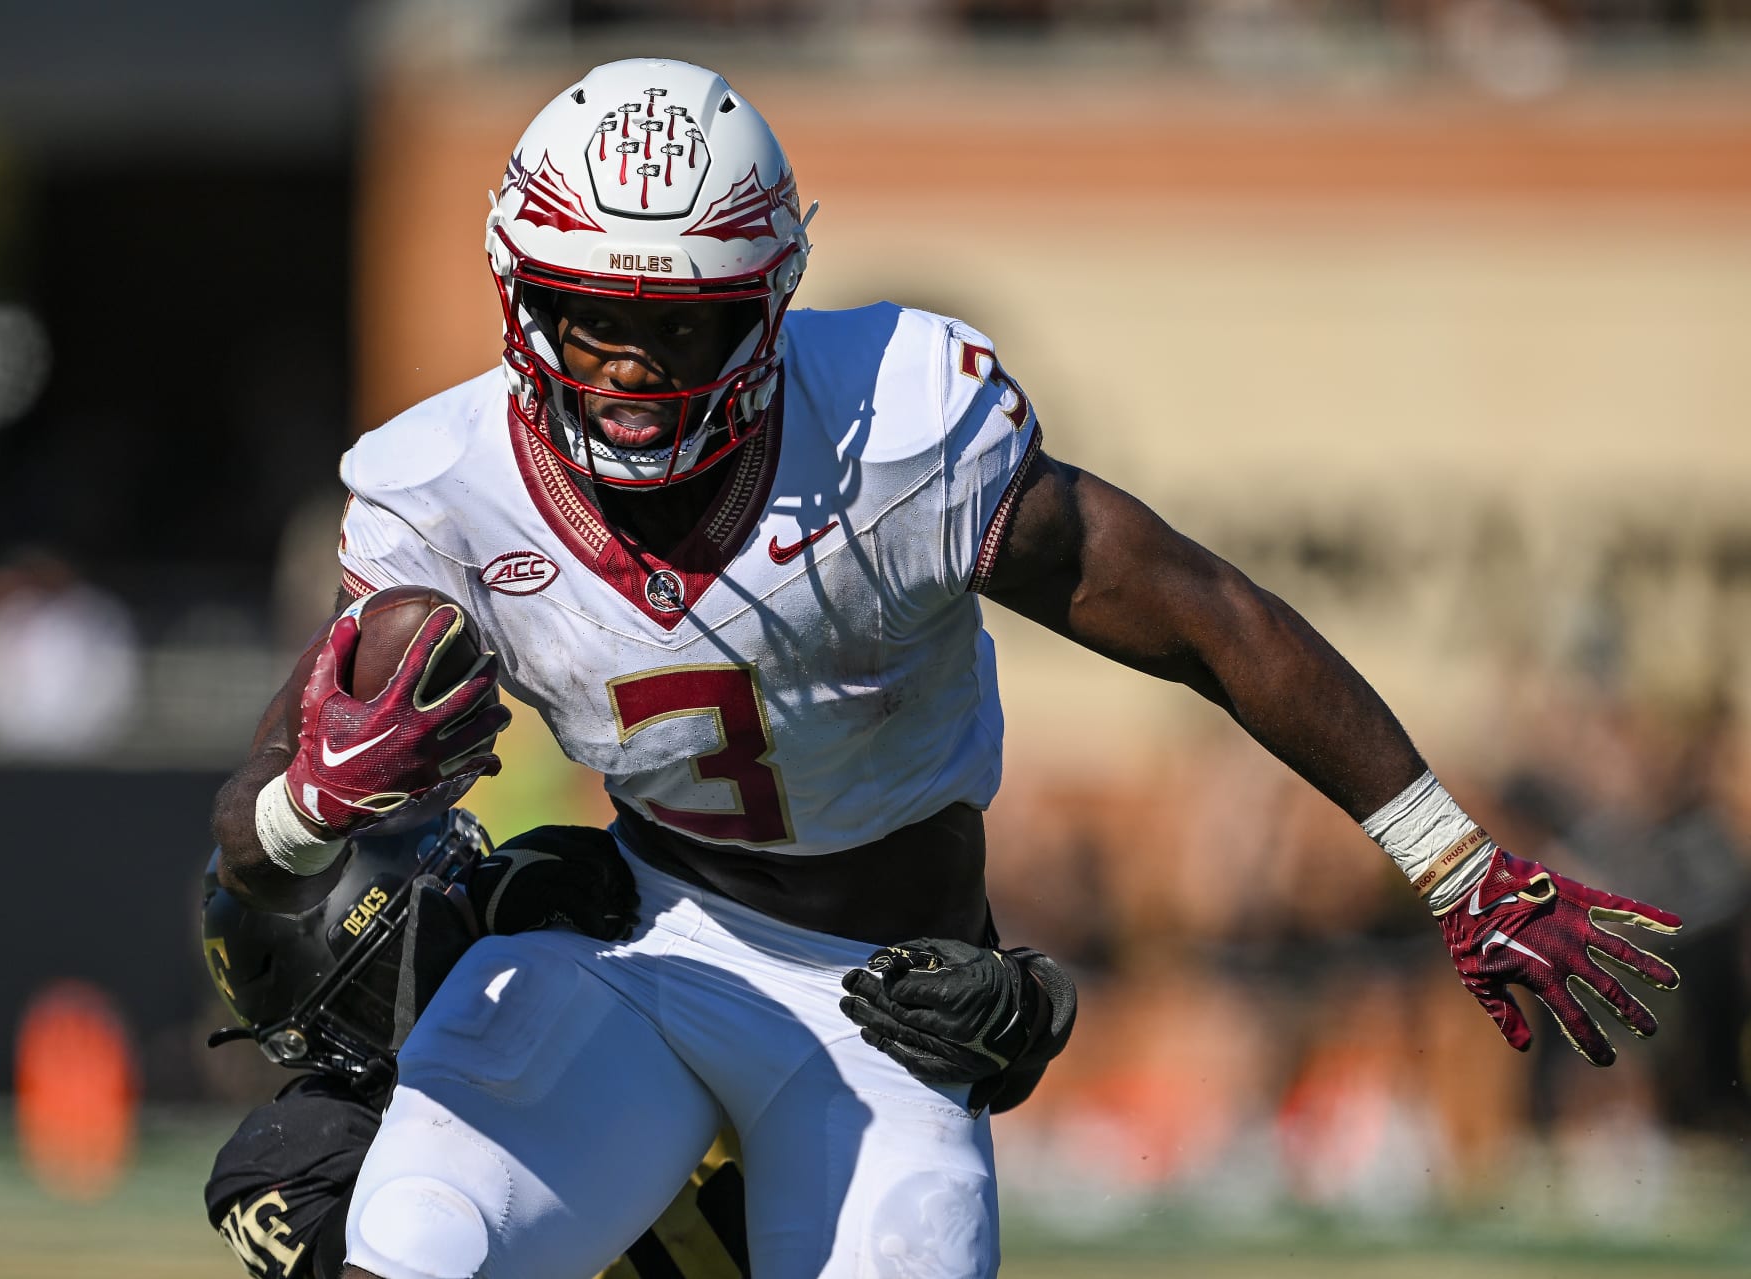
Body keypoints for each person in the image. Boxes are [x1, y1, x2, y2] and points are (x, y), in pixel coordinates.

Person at [209, 57, 1679, 1279]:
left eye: (682, 327)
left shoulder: (898, 437)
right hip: (641, 948)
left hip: (886, 1002)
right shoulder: (446, 492)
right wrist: (307, 810)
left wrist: (1452, 859)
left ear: (771, 299)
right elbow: (248, 868)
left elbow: (1209, 617)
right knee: (407, 1237)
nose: (632, 373)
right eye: (596, 316)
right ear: (524, 294)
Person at [202, 809, 1076, 1279]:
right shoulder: (297, 1159)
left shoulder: (618, 946)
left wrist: (1026, 1004)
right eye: (453, 904)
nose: (485, 912)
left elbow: (900, 1041)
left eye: (477, 884)